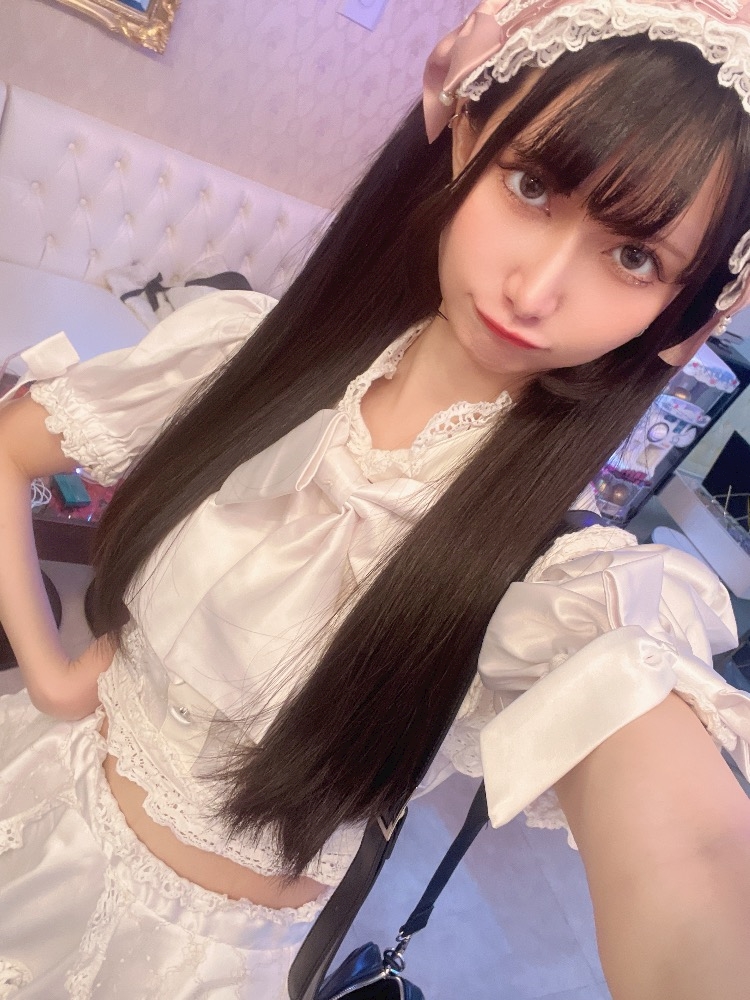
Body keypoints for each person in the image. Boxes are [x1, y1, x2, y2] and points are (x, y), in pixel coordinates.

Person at [2, 0, 750, 996]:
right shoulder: (244, 357)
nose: (535, 290)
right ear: (468, 135)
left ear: (681, 315)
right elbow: (8, 450)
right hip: (32, 798)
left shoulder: (558, 580)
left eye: (634, 257)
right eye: (532, 186)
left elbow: (694, 855)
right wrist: (54, 677)